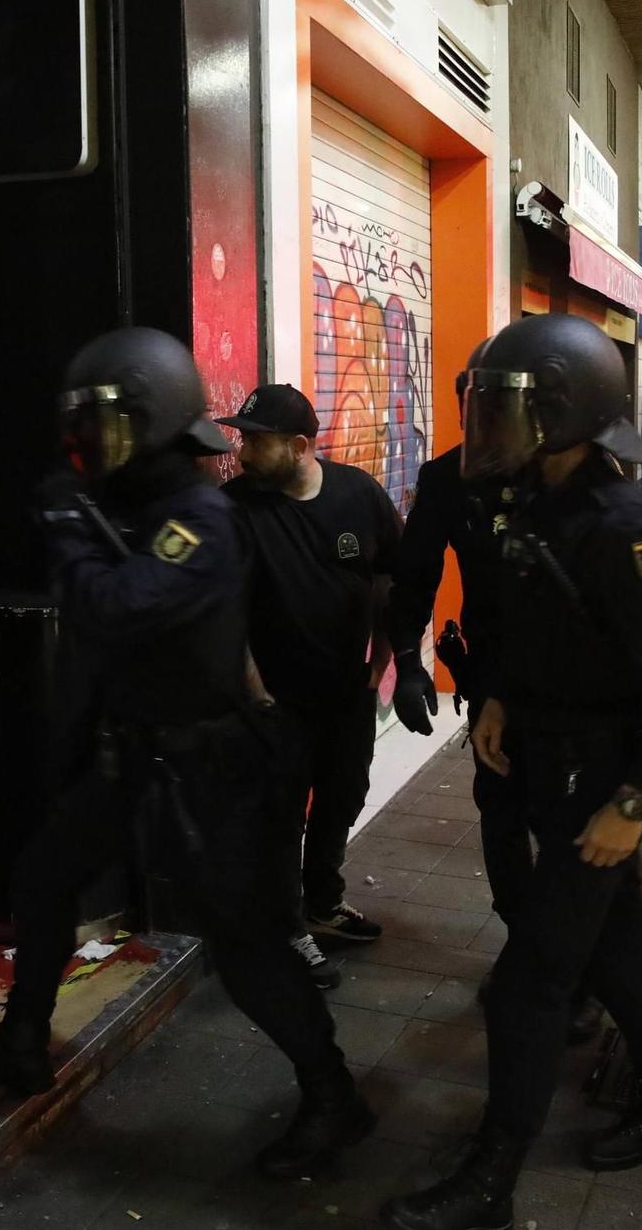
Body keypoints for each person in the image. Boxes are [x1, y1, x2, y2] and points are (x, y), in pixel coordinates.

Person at [0, 329, 371, 1178]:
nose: (92, 445)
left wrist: (68, 533)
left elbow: (116, 606)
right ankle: (25, 1038)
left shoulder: (197, 514)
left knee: (246, 946)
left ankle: (334, 1096)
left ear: (154, 423)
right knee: (44, 879)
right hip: (132, 751)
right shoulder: (126, 504)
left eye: (110, 426)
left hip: (207, 766)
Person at [380, 314, 642, 1230]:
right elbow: (542, 632)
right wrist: (499, 700)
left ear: (570, 417)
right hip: (547, 757)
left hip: (600, 783)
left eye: (510, 410)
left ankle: (490, 1178)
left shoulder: (623, 524)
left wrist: (632, 798)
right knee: (614, 949)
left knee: (529, 982)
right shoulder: (540, 501)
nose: (490, 428)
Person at [385, 360, 604, 1046]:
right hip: (493, 682)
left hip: (572, 685)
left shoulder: (571, 472)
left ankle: (577, 968)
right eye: (470, 405)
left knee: (569, 828)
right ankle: (528, 946)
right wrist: (407, 663)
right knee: (503, 818)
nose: (481, 421)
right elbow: (415, 572)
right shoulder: (449, 478)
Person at [220, 384, 401, 988]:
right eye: (242, 438)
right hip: (277, 703)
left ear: (299, 446)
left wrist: (381, 663)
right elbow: (226, 610)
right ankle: (286, 927)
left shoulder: (358, 495)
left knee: (342, 797)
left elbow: (386, 581)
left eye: (255, 441)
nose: (241, 453)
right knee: (279, 818)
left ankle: (323, 905)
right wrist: (256, 690)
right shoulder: (235, 507)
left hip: (347, 691)